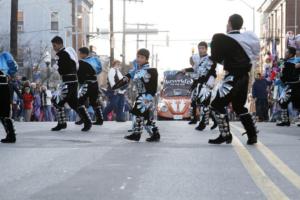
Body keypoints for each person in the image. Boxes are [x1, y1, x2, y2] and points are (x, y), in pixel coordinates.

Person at [208, 14, 260, 145]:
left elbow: (216, 57)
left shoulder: (222, 39)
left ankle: (225, 135)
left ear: (230, 24)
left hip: (232, 77)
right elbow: (254, 56)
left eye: (227, 23)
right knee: (239, 106)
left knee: (216, 105)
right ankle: (252, 135)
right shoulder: (247, 38)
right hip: (244, 77)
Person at [113, 49, 160, 142]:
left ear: (147, 59)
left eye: (142, 57)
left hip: (146, 97)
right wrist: (115, 86)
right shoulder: (135, 70)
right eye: (138, 56)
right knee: (145, 117)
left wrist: (149, 97)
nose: (139, 59)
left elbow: (153, 86)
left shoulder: (151, 71)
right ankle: (153, 134)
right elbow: (125, 79)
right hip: (140, 95)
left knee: (138, 114)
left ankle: (138, 134)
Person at [51, 36, 91, 132]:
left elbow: (63, 70)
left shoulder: (63, 54)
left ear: (59, 44)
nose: (54, 47)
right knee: (74, 103)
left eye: (54, 45)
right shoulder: (67, 53)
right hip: (72, 81)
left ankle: (62, 123)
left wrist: (56, 67)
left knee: (57, 101)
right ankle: (87, 121)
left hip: (68, 82)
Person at [181, 41, 218, 131]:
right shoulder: (198, 59)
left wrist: (208, 84)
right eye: (199, 48)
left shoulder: (210, 59)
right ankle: (214, 120)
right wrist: (185, 70)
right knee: (198, 102)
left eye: (203, 48)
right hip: (198, 82)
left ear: (206, 49)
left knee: (204, 104)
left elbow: (211, 72)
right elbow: (195, 70)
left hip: (206, 83)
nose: (201, 50)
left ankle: (202, 124)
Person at [76, 47, 104, 126]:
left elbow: (79, 75)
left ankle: (85, 120)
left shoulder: (81, 62)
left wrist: (80, 82)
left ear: (83, 54)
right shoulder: (95, 59)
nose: (79, 55)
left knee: (80, 101)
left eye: (79, 53)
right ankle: (100, 119)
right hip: (95, 83)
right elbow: (99, 70)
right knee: (94, 101)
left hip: (86, 84)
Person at [276, 47, 300, 127]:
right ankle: (285, 121)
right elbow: (280, 70)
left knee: (286, 101)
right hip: (289, 85)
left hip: (295, 85)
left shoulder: (297, 60)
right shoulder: (283, 61)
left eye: (286, 52)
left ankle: (285, 121)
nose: (285, 54)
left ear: (290, 54)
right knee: (283, 101)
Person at [0, 50, 18, 143]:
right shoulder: (5, 55)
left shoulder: (4, 55)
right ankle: (11, 134)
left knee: (4, 113)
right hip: (4, 85)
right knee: (4, 112)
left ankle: (11, 135)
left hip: (3, 85)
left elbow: (14, 67)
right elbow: (14, 68)